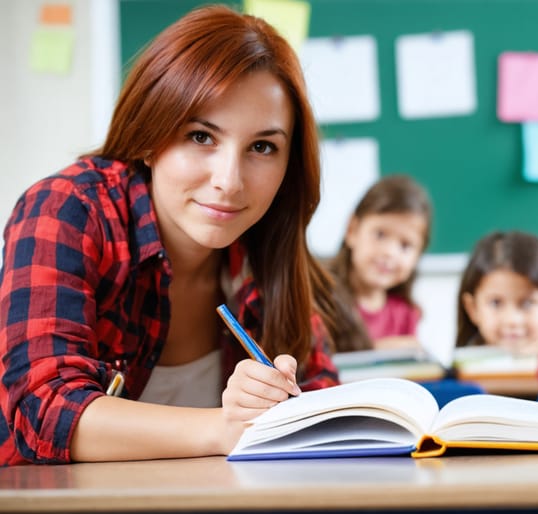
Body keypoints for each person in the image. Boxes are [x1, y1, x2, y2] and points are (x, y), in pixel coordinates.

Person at [0, 5, 354, 465]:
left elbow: (320, 395)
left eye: (262, 147)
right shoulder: (69, 209)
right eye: (201, 136)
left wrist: (290, 405)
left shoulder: (266, 249)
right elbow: (44, 410)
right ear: (150, 133)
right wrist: (224, 428)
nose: (229, 181)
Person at [328, 174, 432, 352]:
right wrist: (375, 351)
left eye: (405, 245)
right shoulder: (323, 300)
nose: (390, 253)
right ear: (352, 230)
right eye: (380, 235)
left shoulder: (406, 314)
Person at [455, 231, 538, 356]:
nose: (512, 320)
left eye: (527, 304)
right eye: (496, 303)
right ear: (472, 309)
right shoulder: (462, 370)